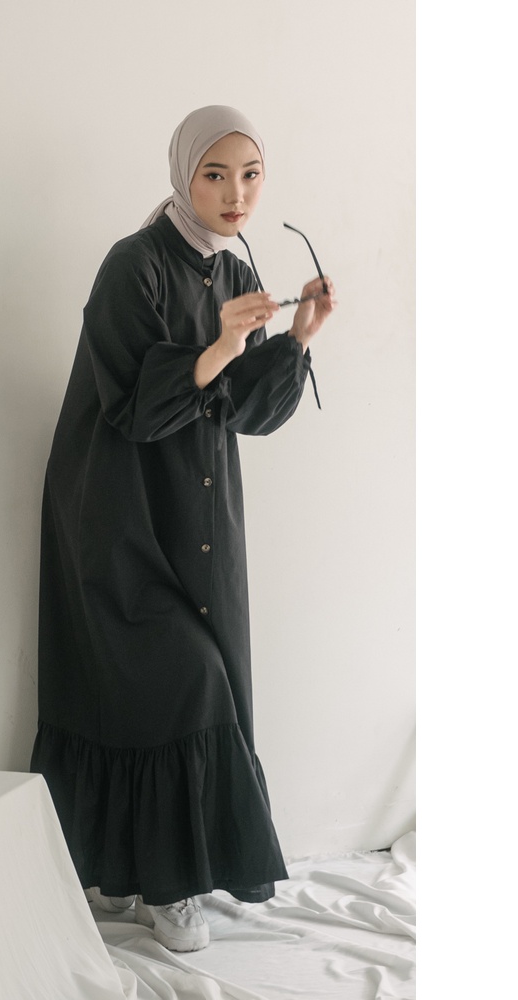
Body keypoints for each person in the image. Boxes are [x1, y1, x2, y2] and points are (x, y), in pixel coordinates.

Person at [29, 105, 336, 953]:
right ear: (182, 175)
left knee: (202, 677)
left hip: (197, 506)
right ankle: (165, 886)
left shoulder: (235, 269)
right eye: (216, 174)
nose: (236, 194)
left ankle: (139, 875)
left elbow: (240, 412)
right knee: (177, 679)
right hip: (118, 507)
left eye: (251, 175)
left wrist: (295, 338)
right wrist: (220, 347)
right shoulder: (132, 266)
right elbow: (133, 408)